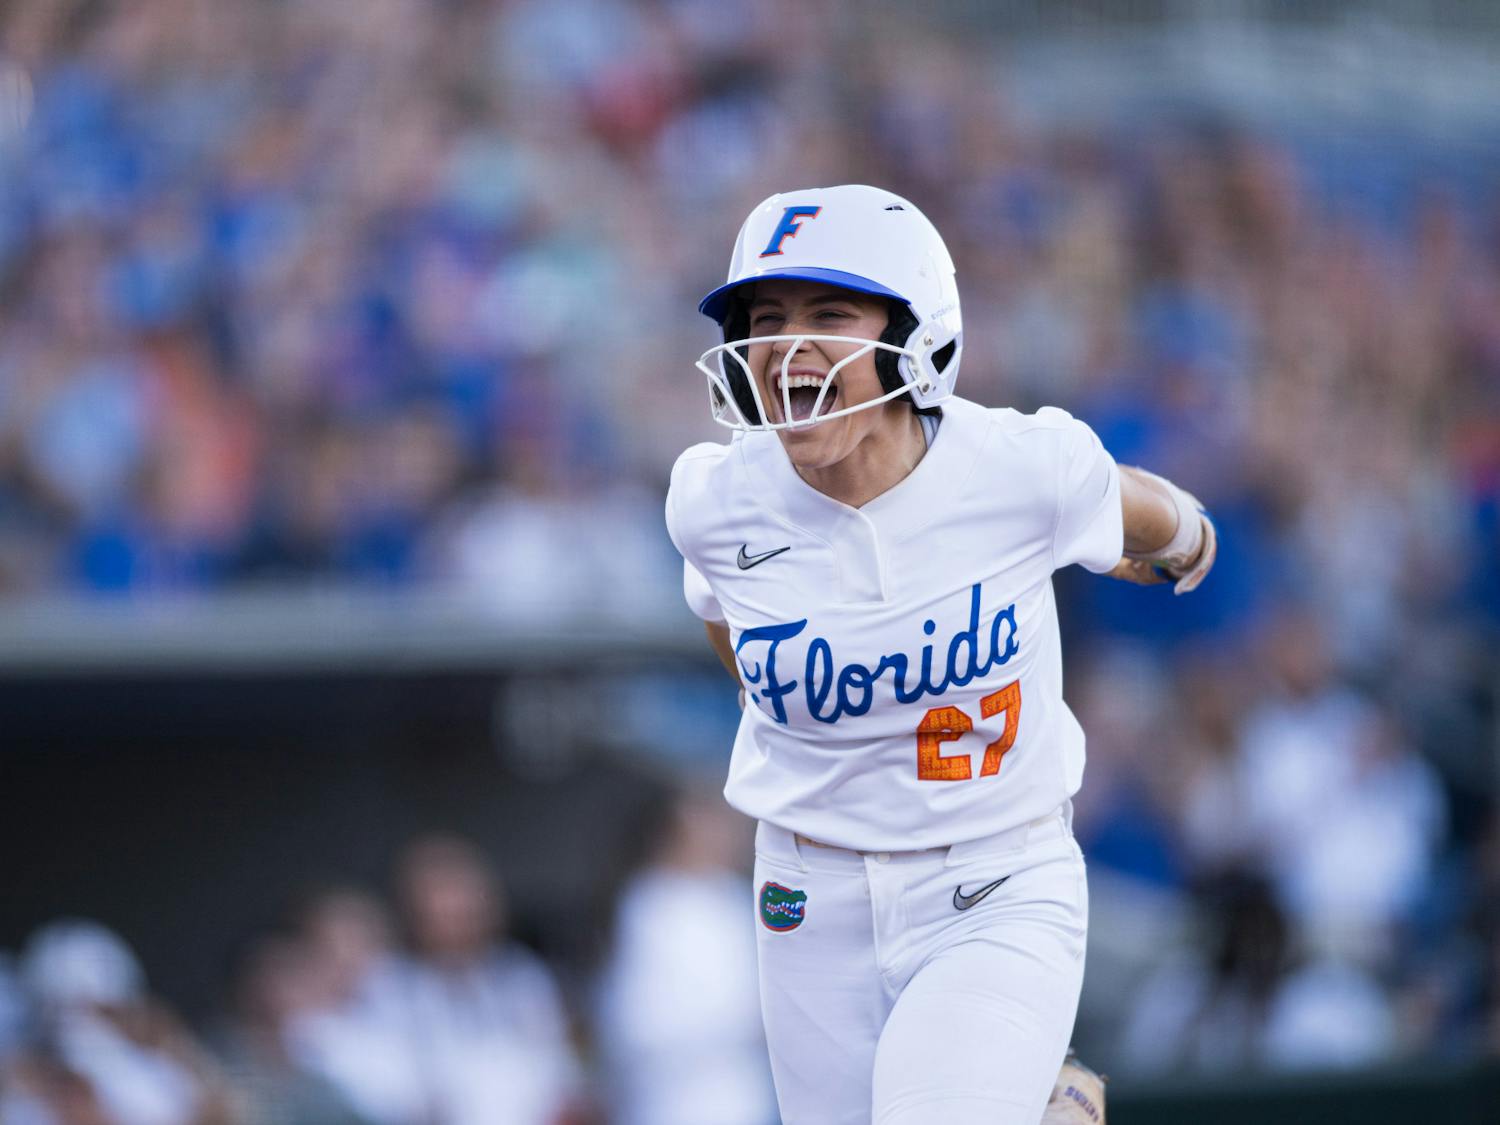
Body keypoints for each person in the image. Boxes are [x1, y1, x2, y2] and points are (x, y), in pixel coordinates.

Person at [664, 185, 1215, 1125]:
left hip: (994, 873)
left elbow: (1159, 519)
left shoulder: (1019, 466)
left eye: (829, 313)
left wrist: (1186, 545)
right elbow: (728, 623)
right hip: (806, 890)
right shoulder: (714, 501)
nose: (787, 344)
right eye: (766, 320)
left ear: (918, 335)